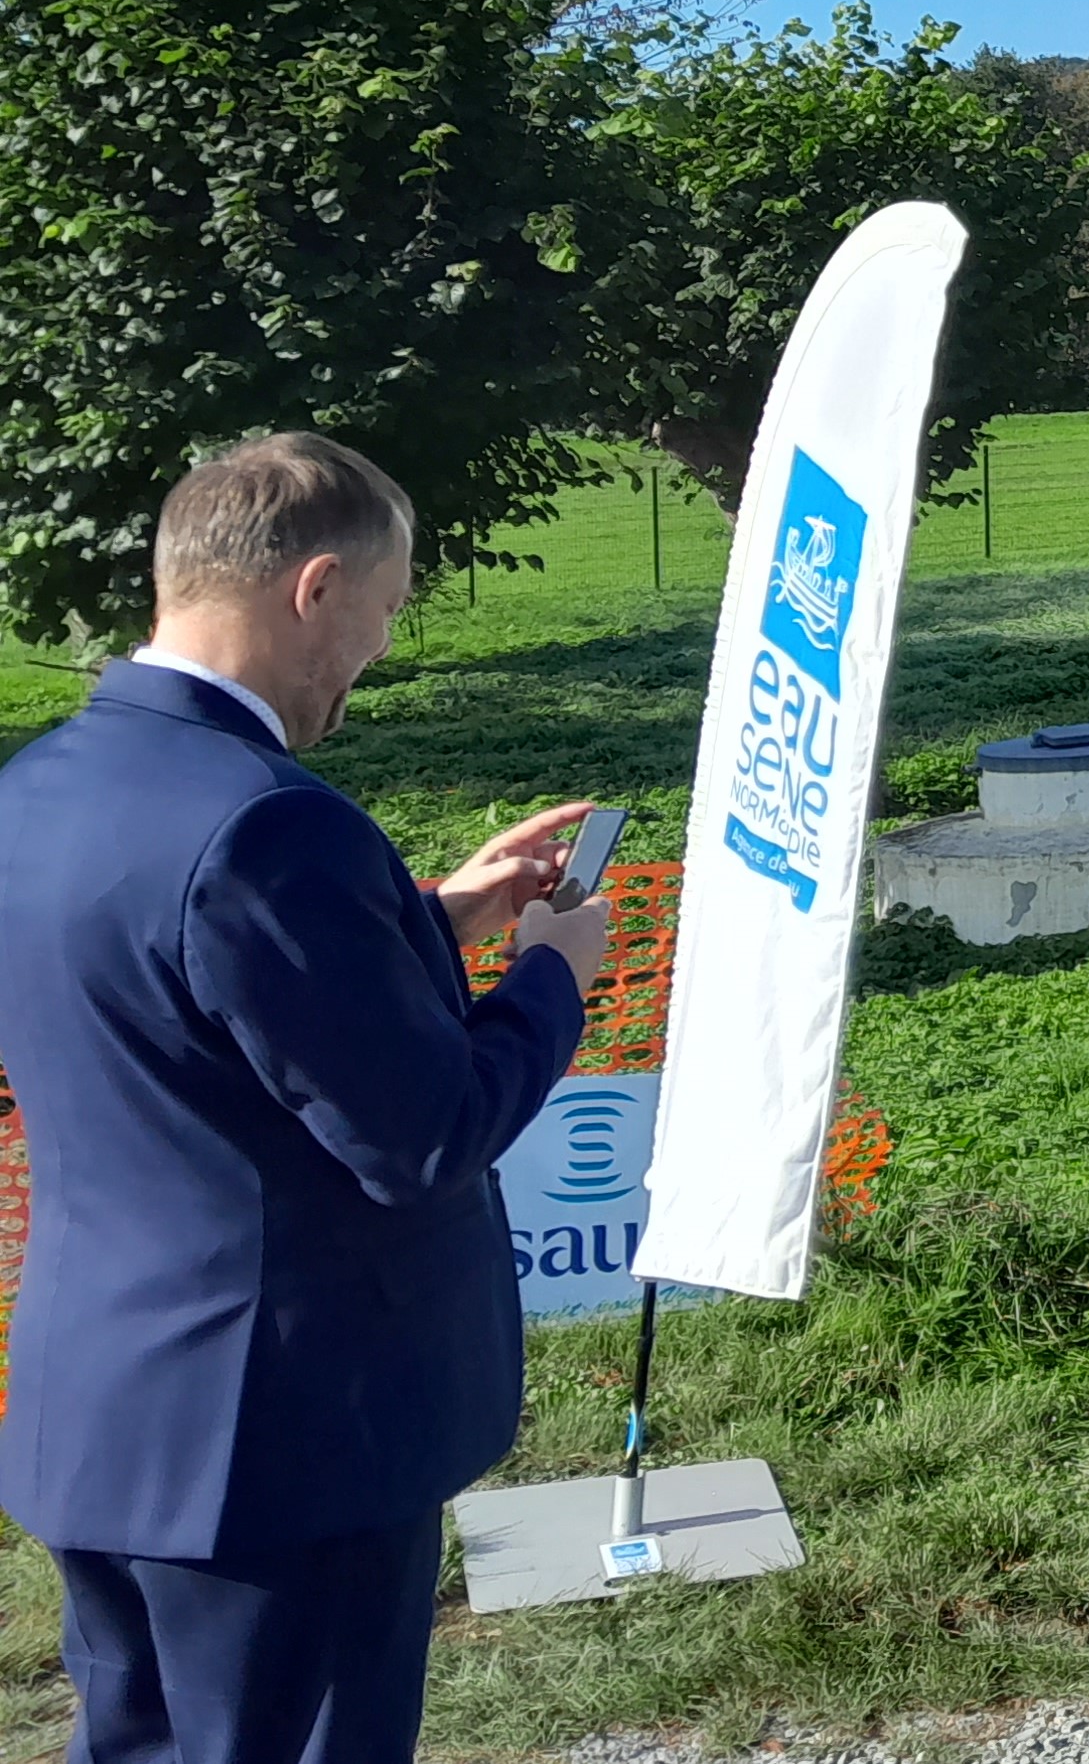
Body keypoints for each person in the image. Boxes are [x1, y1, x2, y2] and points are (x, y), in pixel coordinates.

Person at [0, 434, 616, 1764]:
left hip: (105, 1415)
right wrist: (551, 981)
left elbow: (183, 1004)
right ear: (316, 588)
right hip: (285, 1438)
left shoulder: (36, 789)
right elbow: (425, 1132)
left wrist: (429, 920)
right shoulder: (270, 822)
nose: (379, 650)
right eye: (388, 611)